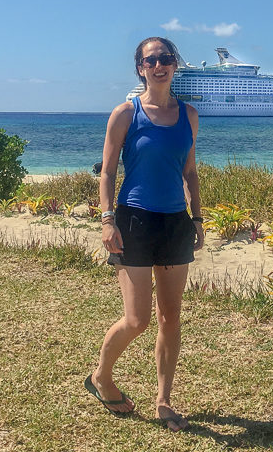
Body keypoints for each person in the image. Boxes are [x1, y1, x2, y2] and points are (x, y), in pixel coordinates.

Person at [85, 36, 204, 432]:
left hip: (175, 223)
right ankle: (102, 377)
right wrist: (106, 219)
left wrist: (198, 218)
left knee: (171, 317)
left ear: (174, 65)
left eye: (166, 58)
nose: (159, 65)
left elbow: (189, 171)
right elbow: (107, 171)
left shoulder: (189, 115)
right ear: (140, 68)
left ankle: (164, 401)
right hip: (133, 220)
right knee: (137, 320)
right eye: (151, 60)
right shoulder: (125, 113)